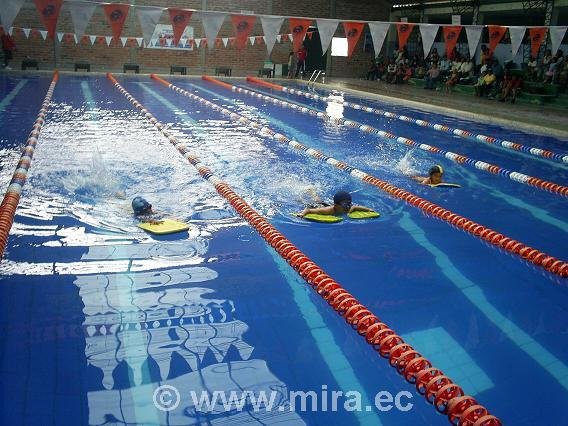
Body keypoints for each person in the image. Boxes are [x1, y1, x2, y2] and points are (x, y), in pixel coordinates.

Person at [297, 191, 373, 218]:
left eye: (348, 204)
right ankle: (309, 193)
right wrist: (302, 214)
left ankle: (313, 192)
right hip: (320, 207)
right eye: (344, 205)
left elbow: (356, 207)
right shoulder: (327, 211)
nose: (346, 207)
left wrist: (369, 209)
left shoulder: (347, 209)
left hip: (329, 205)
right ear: (336, 205)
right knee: (306, 202)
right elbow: (309, 210)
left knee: (320, 200)